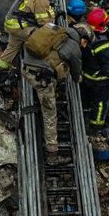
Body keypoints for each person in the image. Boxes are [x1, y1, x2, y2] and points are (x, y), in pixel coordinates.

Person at [23, 23, 90, 152]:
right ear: (82, 37)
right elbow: (76, 71)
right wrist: (78, 79)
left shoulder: (57, 31)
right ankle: (52, 148)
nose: (84, 45)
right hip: (40, 78)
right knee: (49, 112)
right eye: (85, 41)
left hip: (26, 68)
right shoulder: (74, 46)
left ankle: (51, 88)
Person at [0, 0, 67, 79]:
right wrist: (56, 16)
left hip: (13, 23)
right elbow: (45, 24)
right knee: (44, 41)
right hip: (22, 27)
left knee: (11, 49)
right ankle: (39, 71)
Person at [80, 8, 109, 128]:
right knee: (100, 103)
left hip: (86, 76)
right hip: (99, 81)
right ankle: (96, 125)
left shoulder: (85, 37)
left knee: (85, 100)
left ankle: (84, 118)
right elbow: (108, 67)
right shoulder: (103, 45)